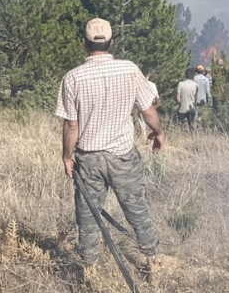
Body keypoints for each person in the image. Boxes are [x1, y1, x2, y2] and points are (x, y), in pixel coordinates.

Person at [56, 18, 164, 283]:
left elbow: (72, 125)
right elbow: (148, 111)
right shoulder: (129, 69)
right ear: (112, 42)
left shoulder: (72, 78)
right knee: (136, 209)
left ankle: (89, 272)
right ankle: (152, 264)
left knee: (88, 215)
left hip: (88, 159)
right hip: (122, 156)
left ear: (84, 43)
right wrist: (158, 132)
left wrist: (67, 157)